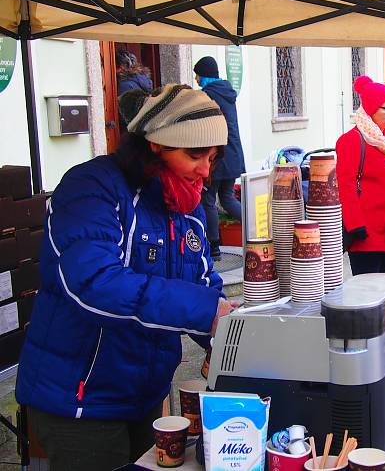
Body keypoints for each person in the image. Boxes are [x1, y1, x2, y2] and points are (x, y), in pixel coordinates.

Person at [15, 85, 240, 471]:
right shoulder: (91, 187)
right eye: (195, 155)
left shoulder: (185, 205)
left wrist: (236, 331)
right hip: (79, 398)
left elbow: (204, 287)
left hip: (146, 393)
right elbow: (94, 283)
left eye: (214, 158)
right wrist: (207, 311)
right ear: (156, 146)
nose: (206, 170)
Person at [336, 75, 385, 275]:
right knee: (367, 292)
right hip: (367, 232)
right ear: (370, 109)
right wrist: (355, 224)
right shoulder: (351, 140)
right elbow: (346, 186)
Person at [193, 56, 246, 261]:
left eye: (198, 74)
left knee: (208, 200)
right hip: (232, 154)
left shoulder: (207, 95)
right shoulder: (226, 92)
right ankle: (258, 231)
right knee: (227, 198)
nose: (196, 79)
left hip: (217, 157)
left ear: (204, 74)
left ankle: (214, 247)